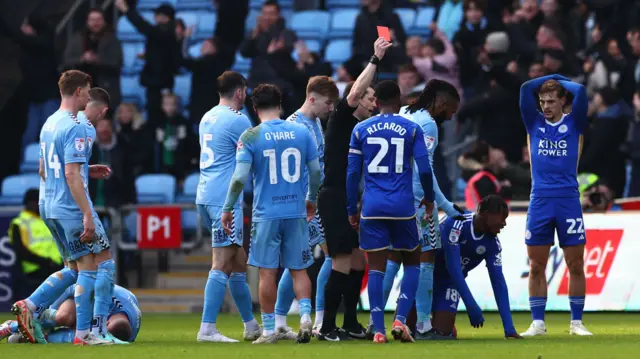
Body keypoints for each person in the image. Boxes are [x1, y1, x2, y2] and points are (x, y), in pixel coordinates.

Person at [13, 71, 122, 346]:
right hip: (69, 206)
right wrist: (86, 212)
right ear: (77, 92)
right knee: (96, 263)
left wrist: (85, 169)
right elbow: (71, 175)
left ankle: (31, 305)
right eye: (86, 91)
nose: (88, 96)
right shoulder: (77, 125)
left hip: (47, 205)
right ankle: (86, 334)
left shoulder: (49, 122)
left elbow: (43, 169)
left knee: (73, 267)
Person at [221, 84, 321, 344]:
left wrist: (228, 207)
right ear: (280, 104)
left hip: (266, 213)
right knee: (299, 270)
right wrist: (311, 199)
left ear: (254, 109)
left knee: (267, 272)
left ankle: (268, 330)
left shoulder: (251, 136)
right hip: (296, 211)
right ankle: (306, 317)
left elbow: (239, 178)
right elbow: (316, 172)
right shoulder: (302, 131)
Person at [346, 80, 435, 344]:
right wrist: (429, 199)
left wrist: (352, 208)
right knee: (412, 262)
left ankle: (378, 330)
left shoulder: (360, 129)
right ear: (399, 99)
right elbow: (425, 168)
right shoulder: (411, 128)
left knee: (376, 268)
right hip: (403, 207)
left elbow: (352, 174)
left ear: (376, 102)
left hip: (372, 207)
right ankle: (400, 320)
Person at [375, 79, 463, 339]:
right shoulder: (428, 125)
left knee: (392, 258)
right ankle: (423, 323)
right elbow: (424, 170)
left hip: (390, 197)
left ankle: (375, 321)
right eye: (451, 111)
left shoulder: (402, 113)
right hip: (418, 200)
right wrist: (445, 205)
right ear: (443, 103)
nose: (450, 116)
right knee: (426, 259)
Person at [317, 37, 391, 342]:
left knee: (359, 260)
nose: (373, 103)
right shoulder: (342, 118)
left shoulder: (364, 128)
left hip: (352, 200)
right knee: (342, 261)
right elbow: (358, 89)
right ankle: (326, 327)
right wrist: (375, 59)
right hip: (334, 198)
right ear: (356, 99)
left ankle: (349, 321)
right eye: (369, 98)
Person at [519, 74, 592, 336]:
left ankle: (576, 323)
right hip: (540, 200)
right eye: (543, 102)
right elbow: (525, 88)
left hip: (568, 201)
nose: (546, 106)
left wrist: (559, 79)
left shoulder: (575, 123)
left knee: (576, 264)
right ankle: (538, 322)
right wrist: (550, 78)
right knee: (536, 265)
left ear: (563, 101)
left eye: (551, 101)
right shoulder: (534, 122)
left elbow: (581, 91)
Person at [195, 71, 260, 343]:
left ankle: (251, 325)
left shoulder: (206, 117)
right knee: (222, 263)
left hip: (204, 193)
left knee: (237, 262)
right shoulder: (238, 120)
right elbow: (257, 152)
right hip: (225, 199)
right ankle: (207, 328)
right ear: (240, 92)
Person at [274, 76, 338, 339]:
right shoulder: (291, 126)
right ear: (312, 98)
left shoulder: (315, 124)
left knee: (299, 263)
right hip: (301, 204)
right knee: (331, 256)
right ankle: (319, 319)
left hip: (314, 201)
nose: (331, 108)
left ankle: (280, 320)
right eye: (328, 103)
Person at [428, 195, 520, 340]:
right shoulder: (457, 222)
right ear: (486, 214)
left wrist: (509, 328)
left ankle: (444, 324)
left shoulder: (493, 244)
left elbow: (498, 283)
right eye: (502, 217)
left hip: (449, 284)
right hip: (426, 276)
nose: (504, 223)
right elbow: (454, 268)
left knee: (442, 335)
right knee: (408, 330)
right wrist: (471, 305)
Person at [1, 284, 141, 344]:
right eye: (102, 331)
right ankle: (14, 325)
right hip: (76, 297)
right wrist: (48, 315)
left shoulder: (127, 335)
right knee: (64, 317)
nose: (99, 332)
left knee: (84, 337)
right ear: (108, 322)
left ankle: (36, 336)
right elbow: (73, 287)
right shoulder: (110, 295)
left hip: (88, 313)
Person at [8, 189, 63, 297]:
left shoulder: (48, 220)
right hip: (34, 270)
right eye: (37, 202)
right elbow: (21, 251)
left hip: (57, 268)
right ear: (28, 203)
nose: (40, 204)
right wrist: (46, 263)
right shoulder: (19, 223)